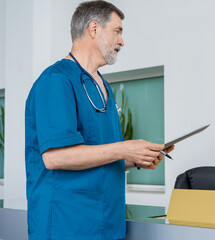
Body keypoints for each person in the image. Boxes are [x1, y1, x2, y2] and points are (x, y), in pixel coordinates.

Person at [25, 1, 174, 239]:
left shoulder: (103, 86)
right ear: (94, 29)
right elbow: (55, 157)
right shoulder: (55, 80)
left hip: (106, 225)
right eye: (117, 31)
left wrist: (136, 157)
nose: (122, 41)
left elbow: (100, 155)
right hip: (67, 226)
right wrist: (124, 148)